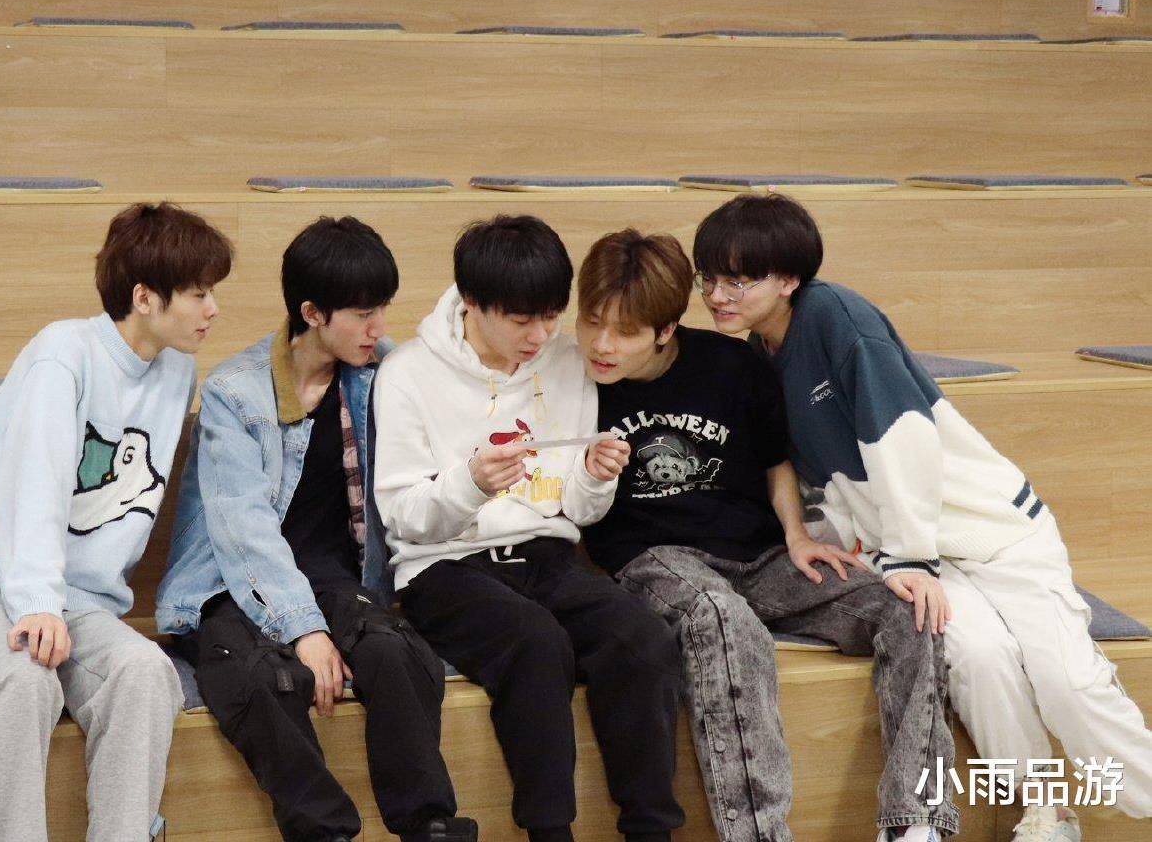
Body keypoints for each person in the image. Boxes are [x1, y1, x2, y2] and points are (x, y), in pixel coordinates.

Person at [693, 193, 1152, 842]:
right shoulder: (762, 353)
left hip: (992, 536)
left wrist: (909, 555)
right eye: (708, 278)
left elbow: (900, 433)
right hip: (911, 554)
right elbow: (806, 470)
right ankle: (1047, 812)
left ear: (789, 279)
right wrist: (822, 540)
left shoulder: (836, 317)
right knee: (979, 661)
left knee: (1067, 684)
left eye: (738, 281)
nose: (717, 295)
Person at [576, 227, 957, 842]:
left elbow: (775, 460)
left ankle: (916, 824)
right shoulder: (571, 381)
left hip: (757, 554)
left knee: (907, 611)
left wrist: (797, 536)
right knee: (722, 617)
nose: (601, 345)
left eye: (623, 332)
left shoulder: (732, 363)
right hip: (655, 557)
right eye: (591, 323)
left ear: (665, 329)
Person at [0, 202, 231, 842]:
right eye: (199, 294)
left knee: (146, 674)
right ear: (144, 297)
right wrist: (36, 603)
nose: (213, 309)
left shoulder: (177, 370)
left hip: (78, 603)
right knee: (21, 683)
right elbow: (35, 482)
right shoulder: (64, 351)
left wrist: (57, 605)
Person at [158, 216, 475, 842]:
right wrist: (303, 629)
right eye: (362, 314)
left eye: (382, 310)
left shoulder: (381, 372)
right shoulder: (236, 393)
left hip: (337, 577)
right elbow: (244, 530)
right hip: (230, 581)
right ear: (311, 313)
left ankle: (431, 826)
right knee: (261, 678)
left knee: (397, 654)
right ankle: (325, 831)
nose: (377, 327)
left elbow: (452, 352)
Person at [373, 213, 683, 842]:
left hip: (547, 557)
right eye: (521, 320)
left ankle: (651, 831)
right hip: (443, 567)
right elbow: (403, 516)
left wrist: (594, 476)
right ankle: (549, 831)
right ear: (472, 302)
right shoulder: (407, 373)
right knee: (536, 642)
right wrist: (471, 483)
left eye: (550, 316)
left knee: (642, 637)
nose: (540, 335)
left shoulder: (566, 361)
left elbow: (579, 511)